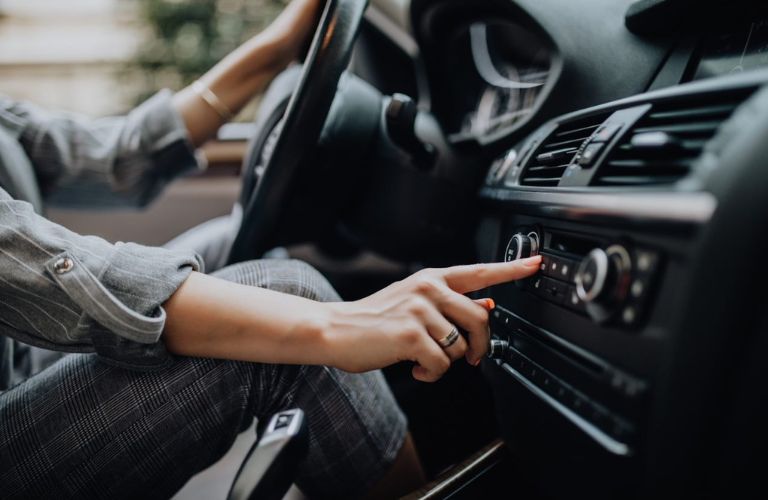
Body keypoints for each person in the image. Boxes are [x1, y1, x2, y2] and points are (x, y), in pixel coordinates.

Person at [0, 0, 542, 498]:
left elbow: (120, 158)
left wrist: (281, 43)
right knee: (288, 296)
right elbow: (35, 267)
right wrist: (336, 327)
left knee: (227, 246)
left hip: (18, 359)